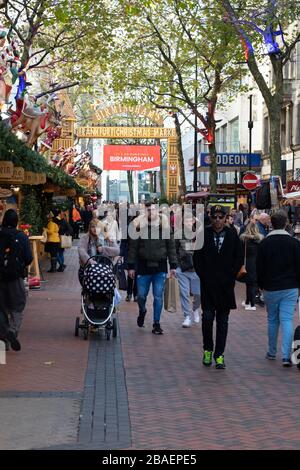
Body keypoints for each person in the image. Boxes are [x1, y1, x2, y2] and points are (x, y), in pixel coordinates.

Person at [193, 205, 243, 369]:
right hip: (208, 286)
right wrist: (204, 276)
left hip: (226, 286)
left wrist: (231, 275)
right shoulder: (203, 234)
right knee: (207, 319)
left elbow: (238, 257)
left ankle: (219, 354)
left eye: (221, 217)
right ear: (211, 217)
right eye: (215, 217)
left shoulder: (232, 234)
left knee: (223, 322)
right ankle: (207, 349)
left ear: (226, 218)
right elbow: (197, 258)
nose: (218, 220)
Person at [257, 210, 300, 367]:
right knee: (287, 320)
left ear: (271, 224)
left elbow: (259, 267)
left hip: (270, 287)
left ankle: (271, 351)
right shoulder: (295, 244)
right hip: (290, 287)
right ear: (286, 223)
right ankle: (286, 356)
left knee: (272, 320)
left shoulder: (264, 244)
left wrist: (260, 285)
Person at [127, 202, 177, 335]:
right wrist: (131, 266)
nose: (151, 212)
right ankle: (142, 311)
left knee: (158, 296)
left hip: (160, 267)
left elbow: (171, 246)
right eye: (148, 210)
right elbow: (133, 248)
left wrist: (173, 265)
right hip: (143, 267)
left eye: (153, 209)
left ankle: (156, 323)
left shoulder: (164, 226)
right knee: (141, 296)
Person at [0, 209, 33, 351]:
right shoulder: (21, 236)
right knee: (17, 307)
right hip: (15, 278)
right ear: (16, 221)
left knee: (1, 308)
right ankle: (12, 331)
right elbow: (28, 258)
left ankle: (3, 338)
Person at [175, 213, 201, 328]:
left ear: (194, 221)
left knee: (198, 294)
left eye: (191, 221)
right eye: (186, 221)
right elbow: (174, 250)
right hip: (183, 268)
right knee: (184, 293)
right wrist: (175, 266)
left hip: (197, 269)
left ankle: (195, 309)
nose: (189, 223)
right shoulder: (179, 234)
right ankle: (187, 316)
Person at [240, 222, 263, 310]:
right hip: (257, 263)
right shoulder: (260, 240)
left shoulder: (244, 239)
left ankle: (252, 304)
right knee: (252, 284)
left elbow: (240, 252)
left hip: (247, 263)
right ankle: (247, 301)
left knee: (249, 284)